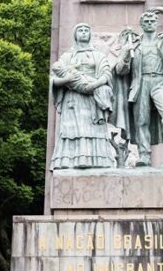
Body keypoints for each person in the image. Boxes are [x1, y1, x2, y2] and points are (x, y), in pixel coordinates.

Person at [113, 7, 163, 166]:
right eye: (146, 21)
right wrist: (126, 54)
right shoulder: (133, 44)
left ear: (156, 23)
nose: (149, 23)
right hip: (140, 83)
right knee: (141, 120)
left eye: (152, 21)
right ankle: (144, 155)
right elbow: (120, 71)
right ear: (142, 24)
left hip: (160, 82)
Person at [50, 23, 117, 170]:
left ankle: (98, 161)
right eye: (80, 30)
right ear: (75, 35)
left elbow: (106, 74)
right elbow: (54, 78)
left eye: (86, 30)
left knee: (93, 130)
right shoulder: (67, 56)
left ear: (90, 34)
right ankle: (70, 161)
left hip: (93, 97)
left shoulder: (98, 55)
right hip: (73, 98)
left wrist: (94, 85)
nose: (83, 32)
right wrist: (67, 80)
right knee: (73, 130)